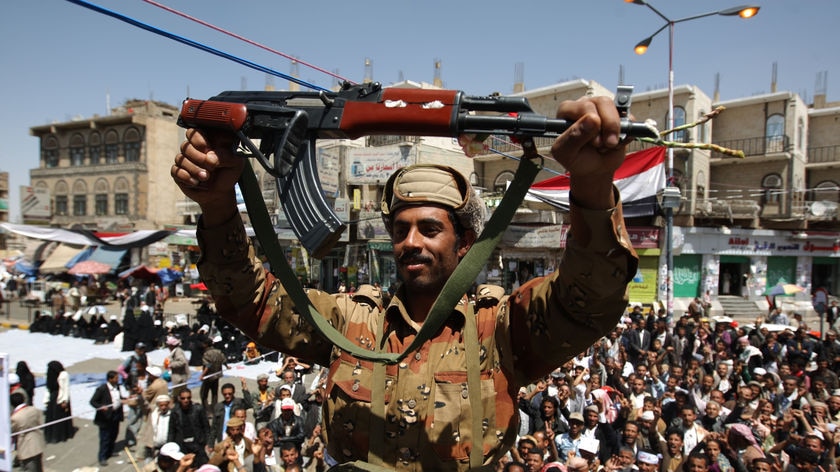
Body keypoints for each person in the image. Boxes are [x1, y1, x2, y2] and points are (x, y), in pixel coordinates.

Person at [173, 96, 639, 469]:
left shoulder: (497, 329)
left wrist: (593, 186)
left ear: (466, 244)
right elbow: (251, 300)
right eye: (400, 230)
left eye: (430, 229)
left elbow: (586, 302)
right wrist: (217, 206)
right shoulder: (350, 322)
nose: (411, 242)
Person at [90, 370, 128, 466]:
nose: (117, 379)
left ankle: (110, 451)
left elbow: (119, 398)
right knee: (105, 438)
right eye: (116, 378)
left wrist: (126, 399)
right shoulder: (102, 389)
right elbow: (93, 401)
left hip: (115, 416)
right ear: (110, 379)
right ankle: (102, 457)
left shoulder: (117, 387)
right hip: (105, 418)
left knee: (113, 435)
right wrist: (101, 407)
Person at [11, 390, 46, 472]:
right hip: (37, 443)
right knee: (39, 468)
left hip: (26, 447)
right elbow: (39, 423)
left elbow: (13, 431)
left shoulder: (15, 418)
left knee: (29, 468)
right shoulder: (33, 410)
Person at [43, 360, 74, 443]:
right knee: (52, 416)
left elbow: (65, 388)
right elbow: (48, 388)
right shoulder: (50, 375)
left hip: (60, 397)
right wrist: (46, 399)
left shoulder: (63, 375)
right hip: (52, 397)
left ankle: (60, 435)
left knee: (60, 416)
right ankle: (52, 435)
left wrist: (64, 401)